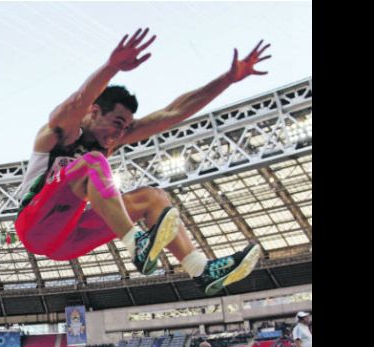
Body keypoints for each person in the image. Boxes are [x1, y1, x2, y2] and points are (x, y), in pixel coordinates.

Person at [14, 28, 269, 295]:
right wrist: (111, 67)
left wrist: (227, 79)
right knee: (93, 162)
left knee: (154, 197)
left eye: (125, 129)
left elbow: (174, 112)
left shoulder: (111, 140)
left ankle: (200, 269)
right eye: (116, 123)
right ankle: (136, 243)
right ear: (94, 111)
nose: (118, 134)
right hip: (35, 223)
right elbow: (79, 99)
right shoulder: (59, 132)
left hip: (68, 239)